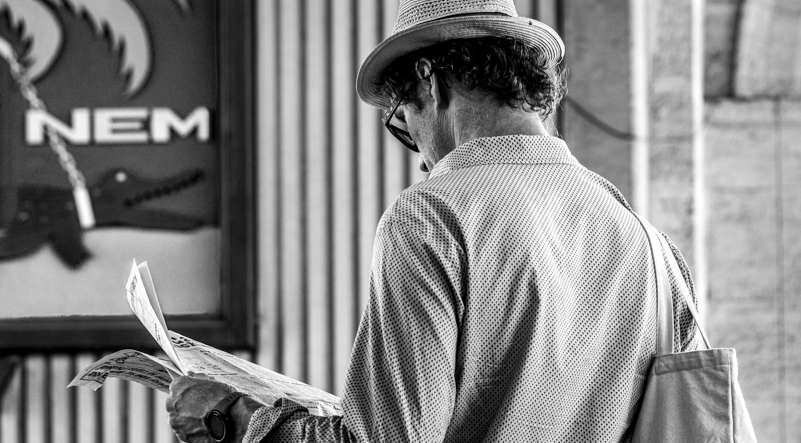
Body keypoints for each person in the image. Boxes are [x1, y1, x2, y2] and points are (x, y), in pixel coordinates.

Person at [165, 0, 701, 441]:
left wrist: (235, 419)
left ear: (430, 80)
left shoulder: (431, 216)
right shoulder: (650, 245)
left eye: (404, 120)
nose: (421, 158)